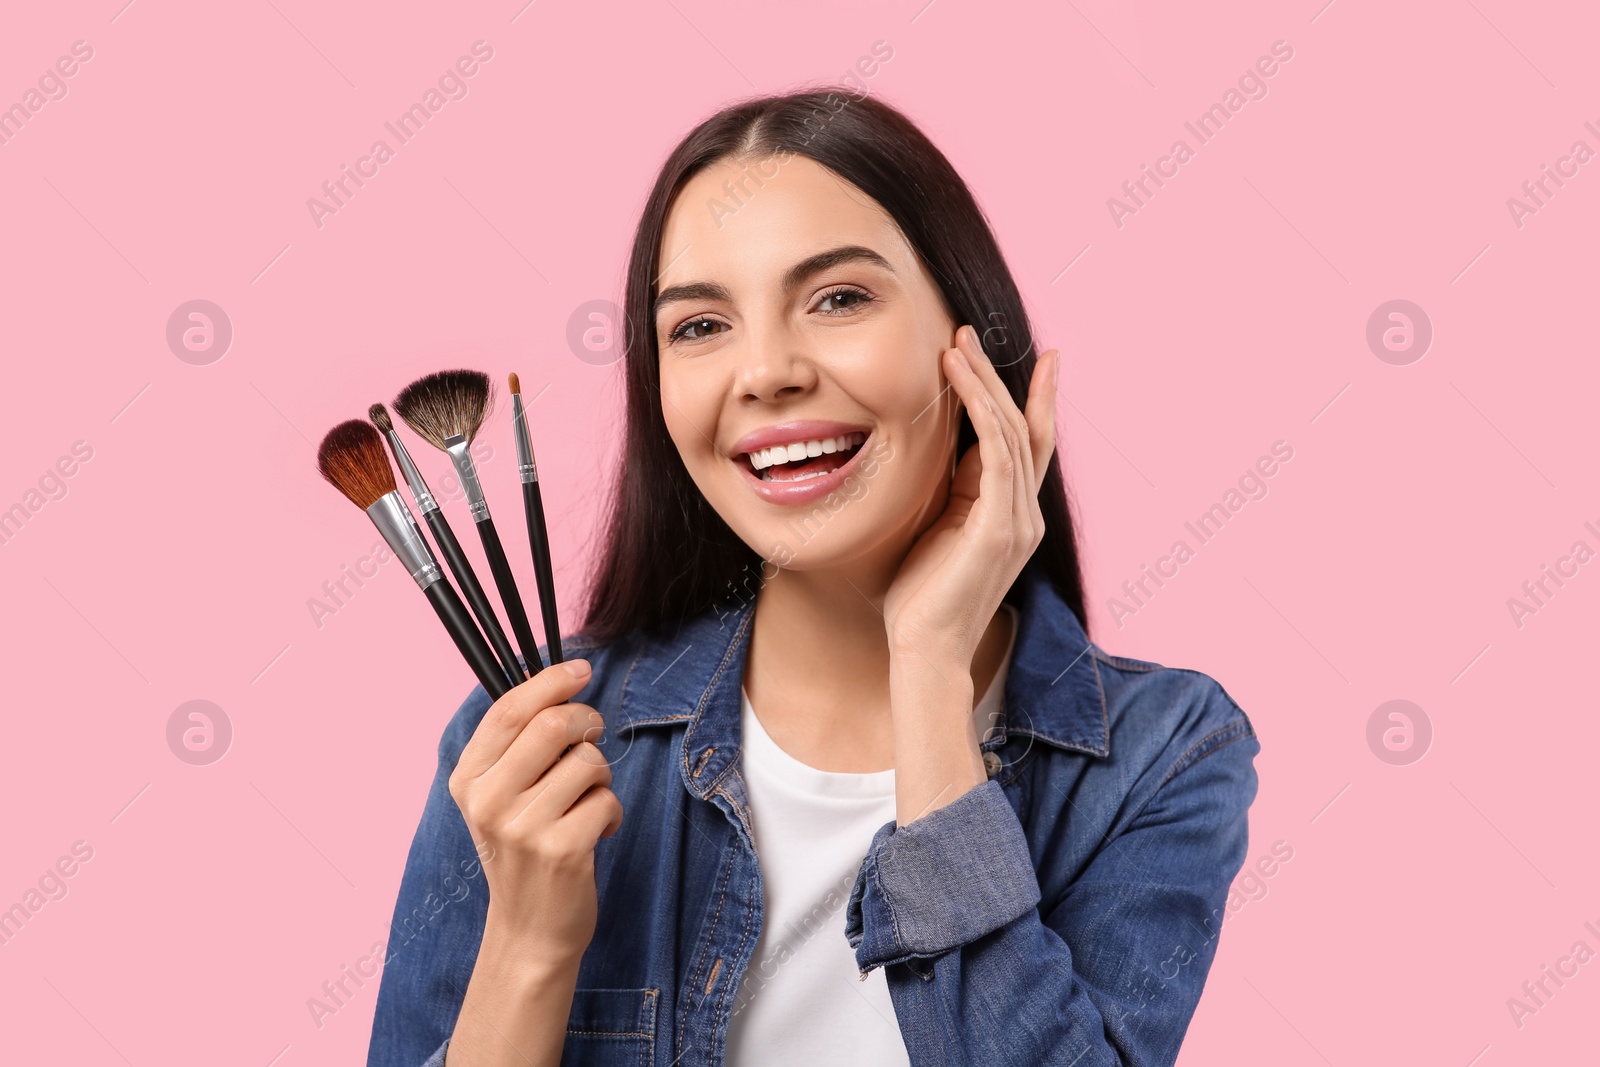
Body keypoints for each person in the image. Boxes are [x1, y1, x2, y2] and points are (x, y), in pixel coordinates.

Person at [367, 87, 1260, 1067]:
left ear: (970, 341)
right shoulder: (534, 742)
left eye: (838, 298)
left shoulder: (1161, 755)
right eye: (699, 326)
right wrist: (530, 949)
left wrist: (927, 664)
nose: (766, 372)